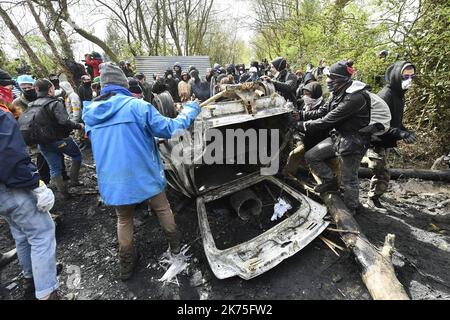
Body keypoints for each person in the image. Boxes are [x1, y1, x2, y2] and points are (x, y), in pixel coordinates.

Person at [82, 63, 201, 280]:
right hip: (143, 173)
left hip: (113, 179)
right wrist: (191, 110)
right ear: (123, 83)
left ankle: (126, 264)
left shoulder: (90, 112)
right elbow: (171, 128)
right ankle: (176, 249)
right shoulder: (138, 106)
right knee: (163, 209)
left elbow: (108, 140)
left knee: (124, 219)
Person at [0, 71, 59, 300]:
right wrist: (36, 184)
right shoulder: (3, 115)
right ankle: (47, 292)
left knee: (21, 233)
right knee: (42, 233)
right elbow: (10, 156)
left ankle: (30, 277)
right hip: (11, 187)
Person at [291, 60, 371, 214]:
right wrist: (300, 115)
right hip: (339, 137)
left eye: (330, 78)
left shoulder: (354, 98)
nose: (327, 81)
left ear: (341, 80)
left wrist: (300, 125)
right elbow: (322, 111)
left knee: (349, 178)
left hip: (353, 142)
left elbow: (327, 121)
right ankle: (330, 182)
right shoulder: (338, 93)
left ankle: (351, 208)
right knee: (311, 156)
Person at [365, 61, 417, 211]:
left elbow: (396, 121)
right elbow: (378, 125)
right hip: (375, 141)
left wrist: (406, 131)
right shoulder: (385, 95)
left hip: (385, 142)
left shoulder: (400, 95)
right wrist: (400, 133)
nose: (409, 80)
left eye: (412, 76)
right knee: (382, 174)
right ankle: (371, 200)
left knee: (380, 172)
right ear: (396, 75)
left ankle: (374, 198)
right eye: (405, 76)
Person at [29, 79, 84, 199]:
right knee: (77, 156)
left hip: (42, 143)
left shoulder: (31, 105)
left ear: (37, 90)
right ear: (50, 89)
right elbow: (64, 121)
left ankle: (63, 193)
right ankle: (74, 181)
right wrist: (78, 126)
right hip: (60, 140)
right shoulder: (54, 103)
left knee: (54, 168)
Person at [283, 82, 328, 176]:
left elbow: (316, 125)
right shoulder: (305, 103)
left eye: (308, 94)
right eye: (304, 93)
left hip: (318, 141)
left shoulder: (322, 107)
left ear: (315, 94)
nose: (305, 96)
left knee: (297, 155)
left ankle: (323, 181)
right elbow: (293, 101)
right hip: (306, 138)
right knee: (293, 153)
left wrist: (298, 124)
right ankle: (290, 174)